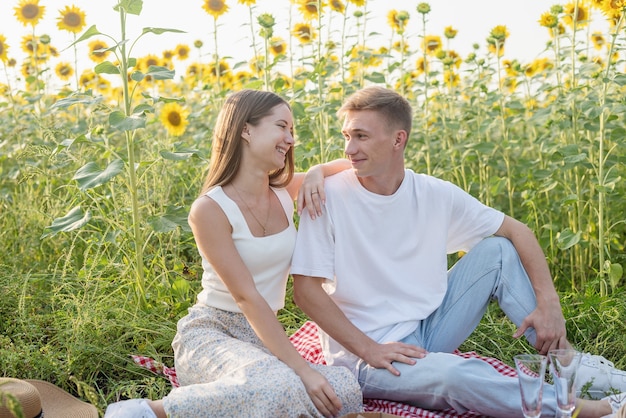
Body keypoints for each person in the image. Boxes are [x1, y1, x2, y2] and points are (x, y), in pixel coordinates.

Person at [290, 85, 626, 418]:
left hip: (429, 328)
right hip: (365, 356)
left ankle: (568, 363)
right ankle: (589, 411)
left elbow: (517, 230)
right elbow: (305, 293)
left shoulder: (434, 193)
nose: (349, 148)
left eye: (361, 136)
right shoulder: (326, 196)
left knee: (497, 250)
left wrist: (549, 303)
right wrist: (369, 349)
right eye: (346, 135)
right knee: (456, 375)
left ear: (398, 139)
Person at [104, 89, 362, 418]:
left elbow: (347, 169)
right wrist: (304, 369)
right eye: (282, 127)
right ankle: (146, 412)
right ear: (246, 129)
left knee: (343, 390)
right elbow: (246, 297)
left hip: (261, 340)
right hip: (210, 335)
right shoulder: (210, 209)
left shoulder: (284, 194)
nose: (290, 139)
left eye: (292, 131)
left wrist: (315, 172)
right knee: (283, 386)